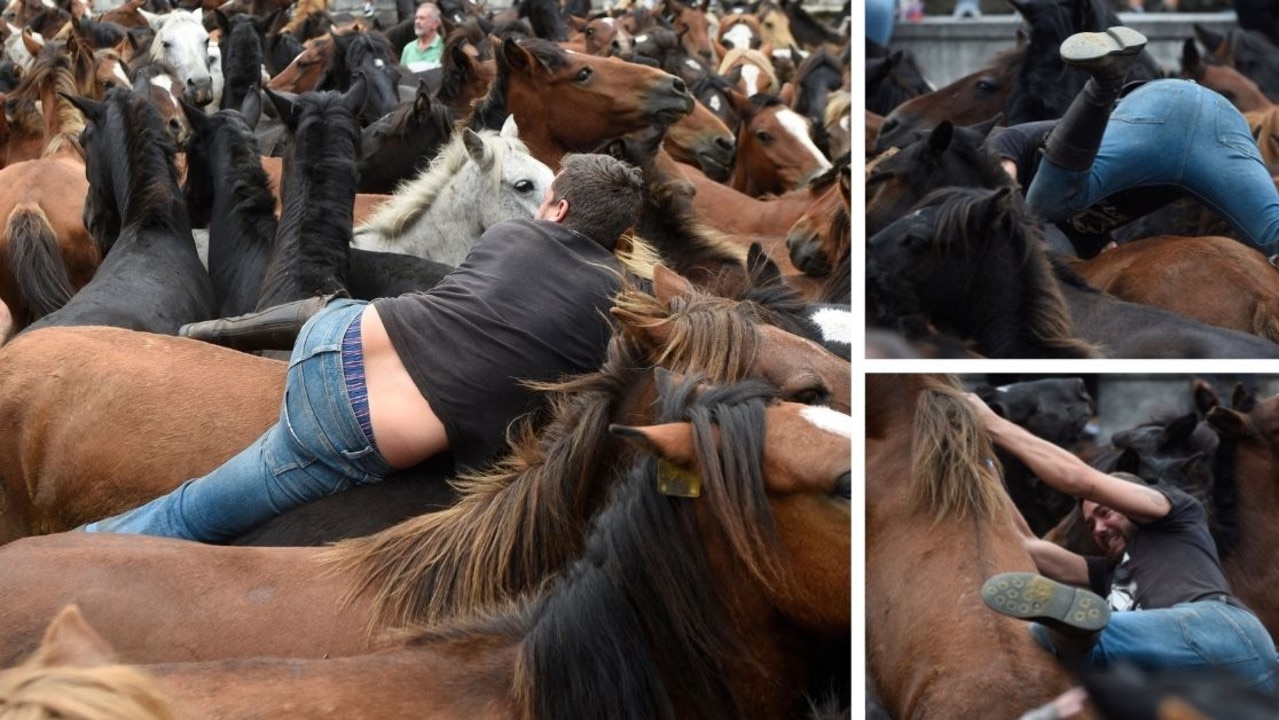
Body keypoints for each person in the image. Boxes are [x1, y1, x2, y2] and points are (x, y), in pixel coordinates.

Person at [81, 154, 645, 542]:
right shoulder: (617, 305)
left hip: (337, 336)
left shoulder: (509, 234)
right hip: (345, 429)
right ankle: (82, 549)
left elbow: (464, 314)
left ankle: (217, 330)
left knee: (358, 307)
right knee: (191, 514)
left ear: (560, 210)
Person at [963, 392, 1278, 692]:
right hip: (1231, 689)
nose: (1099, 528)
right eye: (1091, 524)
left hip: (1218, 632)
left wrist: (988, 420)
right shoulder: (1107, 574)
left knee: (1046, 642)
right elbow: (1027, 544)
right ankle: (1070, 626)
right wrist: (982, 463)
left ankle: (1068, 628)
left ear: (1129, 504)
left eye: (1104, 512)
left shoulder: (1172, 514)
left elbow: (1079, 479)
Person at [989, 27, 1279, 260]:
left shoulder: (1014, 145)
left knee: (1038, 207)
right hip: (1216, 119)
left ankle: (1105, 81)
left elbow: (1005, 151)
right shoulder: (1086, 229)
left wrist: (1000, 197)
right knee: (1272, 237)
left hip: (1153, 117)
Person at [400, 1, 444, 72]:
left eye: (422, 18)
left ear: (435, 24)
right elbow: (402, 77)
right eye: (416, 18)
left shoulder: (444, 47)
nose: (417, 22)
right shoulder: (408, 49)